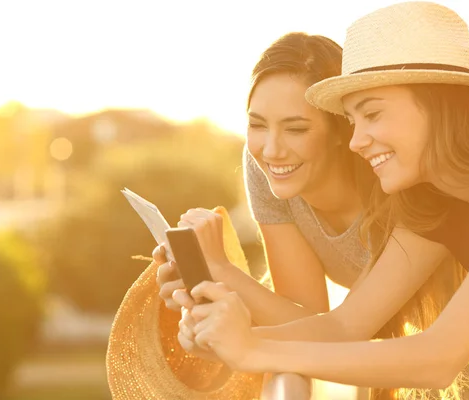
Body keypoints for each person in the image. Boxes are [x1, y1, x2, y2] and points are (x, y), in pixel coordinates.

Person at [173, 2, 469, 399]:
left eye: (373, 114)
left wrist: (253, 351)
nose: (356, 141)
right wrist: (228, 340)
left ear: (439, 102)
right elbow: (346, 326)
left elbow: (440, 360)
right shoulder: (435, 197)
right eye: (353, 120)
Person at [153, 32, 383, 398]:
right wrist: (209, 294)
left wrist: (224, 272)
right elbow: (304, 317)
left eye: (296, 128)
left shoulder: (388, 176)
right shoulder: (267, 170)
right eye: (257, 124)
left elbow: (343, 332)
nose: (272, 150)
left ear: (342, 128)